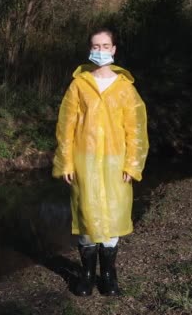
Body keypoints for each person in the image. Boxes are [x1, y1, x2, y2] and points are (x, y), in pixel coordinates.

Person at [52, 28, 149, 296]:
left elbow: (136, 130)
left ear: (114, 49)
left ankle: (108, 274)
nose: (101, 50)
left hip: (116, 163)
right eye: (96, 45)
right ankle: (85, 275)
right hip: (84, 162)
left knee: (114, 216)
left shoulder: (125, 87)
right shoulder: (79, 84)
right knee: (87, 217)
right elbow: (66, 126)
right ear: (89, 49)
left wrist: (133, 164)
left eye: (106, 45)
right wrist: (66, 163)